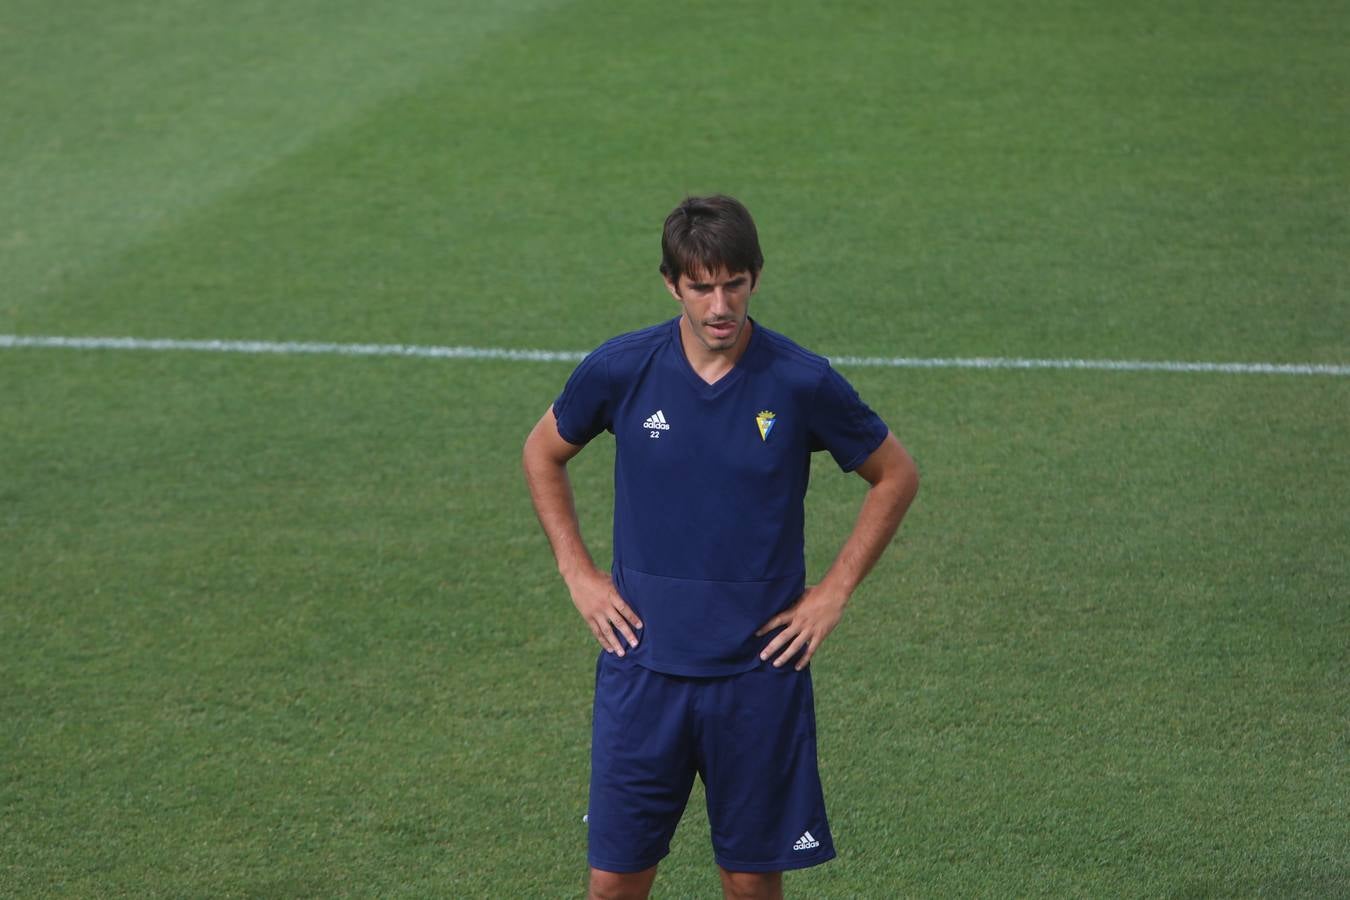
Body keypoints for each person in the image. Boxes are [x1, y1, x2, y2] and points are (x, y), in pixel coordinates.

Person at [522, 195, 919, 900]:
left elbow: (894, 475)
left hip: (757, 677)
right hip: (643, 671)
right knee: (614, 882)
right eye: (701, 286)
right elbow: (542, 452)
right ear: (671, 284)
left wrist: (833, 594)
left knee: (748, 882)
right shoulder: (622, 369)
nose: (719, 304)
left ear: (756, 279)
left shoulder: (800, 381)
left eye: (733, 282)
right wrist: (577, 573)